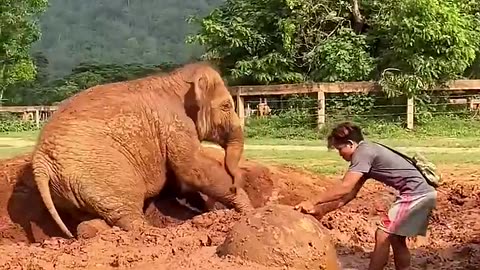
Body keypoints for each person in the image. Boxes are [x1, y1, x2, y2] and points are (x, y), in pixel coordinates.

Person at [294, 121, 437, 270]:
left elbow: (345, 187)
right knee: (396, 238)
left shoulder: (363, 153)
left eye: (340, 149)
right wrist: (322, 210)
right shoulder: (366, 153)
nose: (340, 154)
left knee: (383, 234)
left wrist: (312, 201)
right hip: (421, 192)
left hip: (416, 194)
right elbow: (349, 194)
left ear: (350, 144)